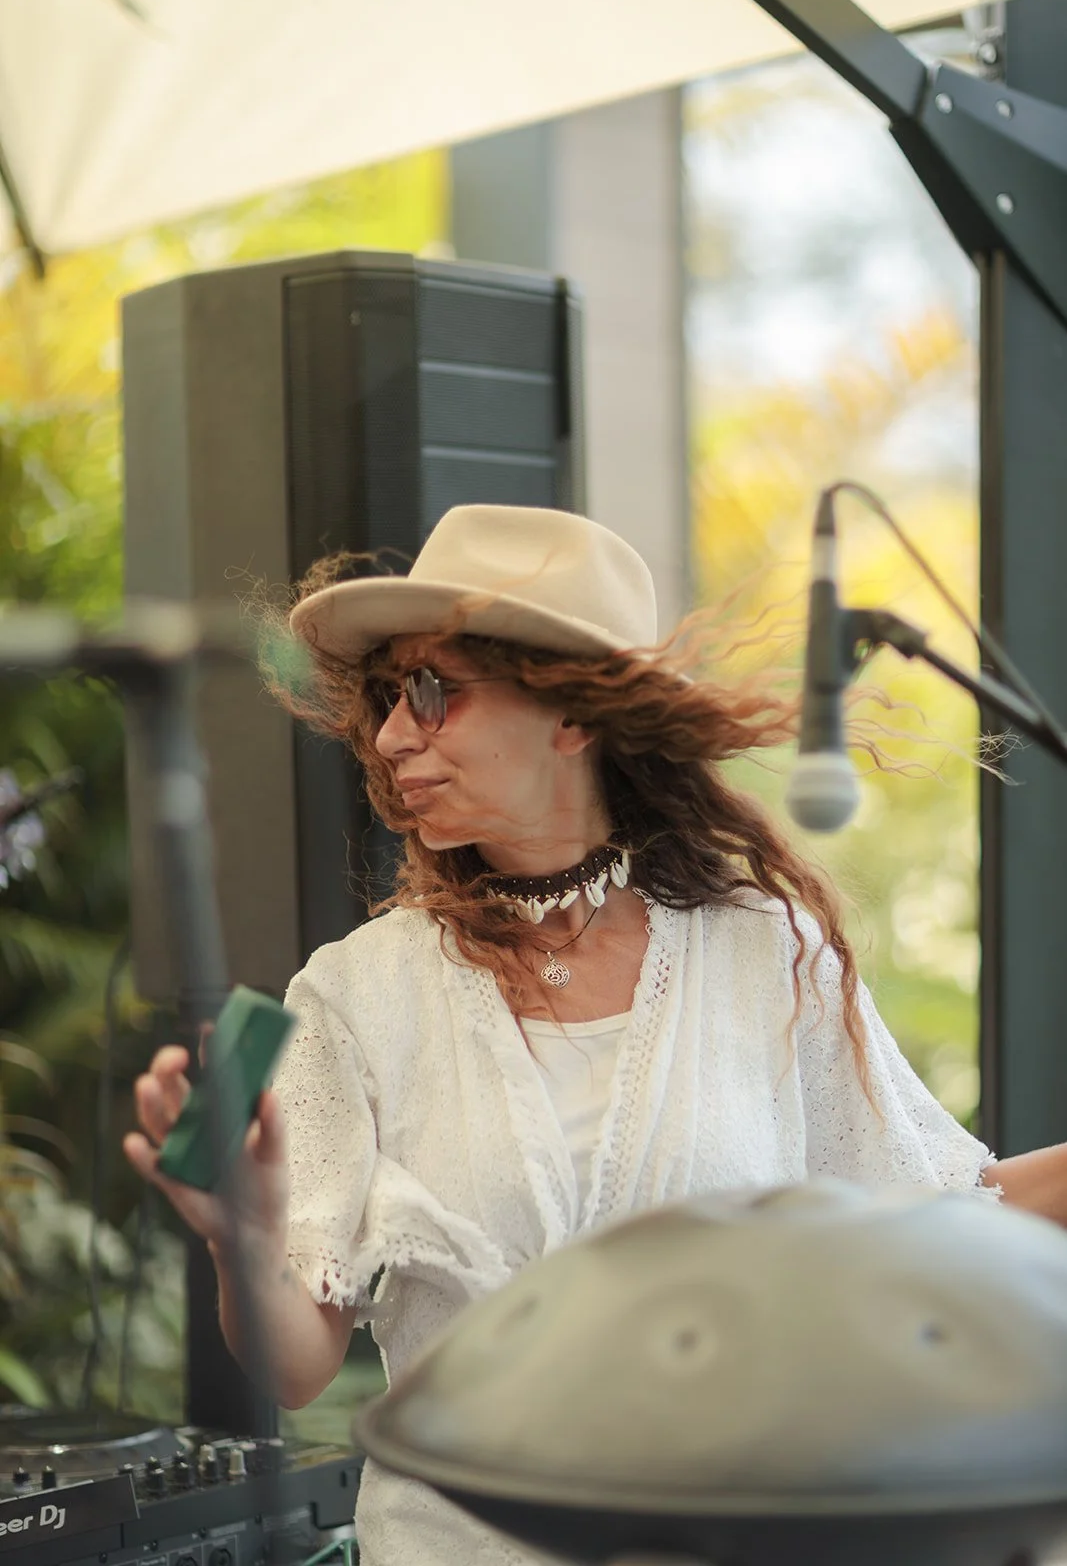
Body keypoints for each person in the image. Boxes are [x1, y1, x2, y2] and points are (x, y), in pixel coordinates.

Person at [124, 503, 1067, 1566]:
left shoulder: (765, 951)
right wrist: (239, 1236)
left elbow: (935, 1217)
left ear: (570, 712)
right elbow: (294, 1369)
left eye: (431, 693)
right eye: (385, 700)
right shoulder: (357, 993)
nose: (391, 737)